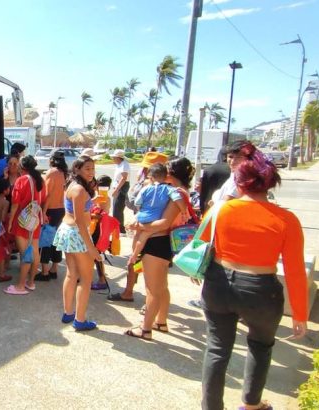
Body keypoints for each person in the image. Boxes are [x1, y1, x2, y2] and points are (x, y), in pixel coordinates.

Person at [199, 142, 307, 410]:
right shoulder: (286, 219)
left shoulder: (220, 210)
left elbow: (201, 241)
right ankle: (251, 404)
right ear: (270, 183)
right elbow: (294, 270)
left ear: (240, 181)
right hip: (261, 289)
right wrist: (300, 315)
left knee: (216, 349)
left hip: (219, 283)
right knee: (260, 346)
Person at [123, 157, 195, 340]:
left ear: (170, 173)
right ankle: (160, 321)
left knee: (152, 290)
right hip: (160, 243)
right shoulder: (175, 192)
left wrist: (140, 228)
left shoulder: (175, 192)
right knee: (161, 287)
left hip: (156, 242)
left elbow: (164, 223)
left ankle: (145, 329)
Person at [107, 152, 168, 303]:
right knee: (142, 267)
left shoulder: (152, 185)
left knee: (140, 266)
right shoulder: (165, 187)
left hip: (148, 231)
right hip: (151, 232)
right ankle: (134, 294)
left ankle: (139, 298)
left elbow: (134, 201)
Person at [55, 156, 101, 330]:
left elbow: (77, 211)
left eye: (93, 169)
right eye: (87, 168)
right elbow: (80, 221)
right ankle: (80, 320)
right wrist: (92, 248)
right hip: (76, 233)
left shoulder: (72, 186)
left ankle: (68, 313)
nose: (91, 172)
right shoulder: (80, 189)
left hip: (67, 231)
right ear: (77, 169)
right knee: (86, 279)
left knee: (71, 274)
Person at [3, 155, 46, 295]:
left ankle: (20, 286)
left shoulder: (22, 180)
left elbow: (15, 204)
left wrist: (10, 222)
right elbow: (44, 199)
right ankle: (31, 282)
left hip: (23, 221)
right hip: (35, 220)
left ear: (22, 167)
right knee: (34, 251)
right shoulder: (40, 180)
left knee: (25, 254)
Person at [126, 163, 182, 266]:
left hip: (141, 216)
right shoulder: (169, 189)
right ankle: (135, 256)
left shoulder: (146, 188)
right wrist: (185, 211)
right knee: (143, 236)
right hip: (155, 218)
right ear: (166, 177)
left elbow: (137, 202)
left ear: (150, 177)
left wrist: (140, 210)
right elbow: (177, 199)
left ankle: (134, 255)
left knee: (137, 235)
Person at [36, 150, 68, 281]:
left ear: (51, 160)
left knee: (45, 241)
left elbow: (48, 194)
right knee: (56, 241)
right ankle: (54, 268)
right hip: (60, 210)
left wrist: (43, 212)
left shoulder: (51, 172)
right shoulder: (62, 173)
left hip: (50, 210)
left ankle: (44, 272)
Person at [208, 140, 247, 209]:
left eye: (239, 157)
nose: (233, 161)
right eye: (230, 157)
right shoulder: (233, 175)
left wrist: (214, 206)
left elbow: (227, 204)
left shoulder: (239, 178)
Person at [198, 150, 230, 214]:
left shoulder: (209, 169)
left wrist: (202, 209)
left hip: (210, 207)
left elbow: (204, 192)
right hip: (228, 207)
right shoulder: (234, 169)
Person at [110, 149, 131, 234]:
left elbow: (124, 178)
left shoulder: (124, 164)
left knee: (118, 209)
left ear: (118, 158)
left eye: (114, 157)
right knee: (116, 209)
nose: (113, 159)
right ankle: (116, 228)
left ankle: (120, 229)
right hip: (118, 187)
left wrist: (116, 190)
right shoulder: (119, 165)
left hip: (121, 187)